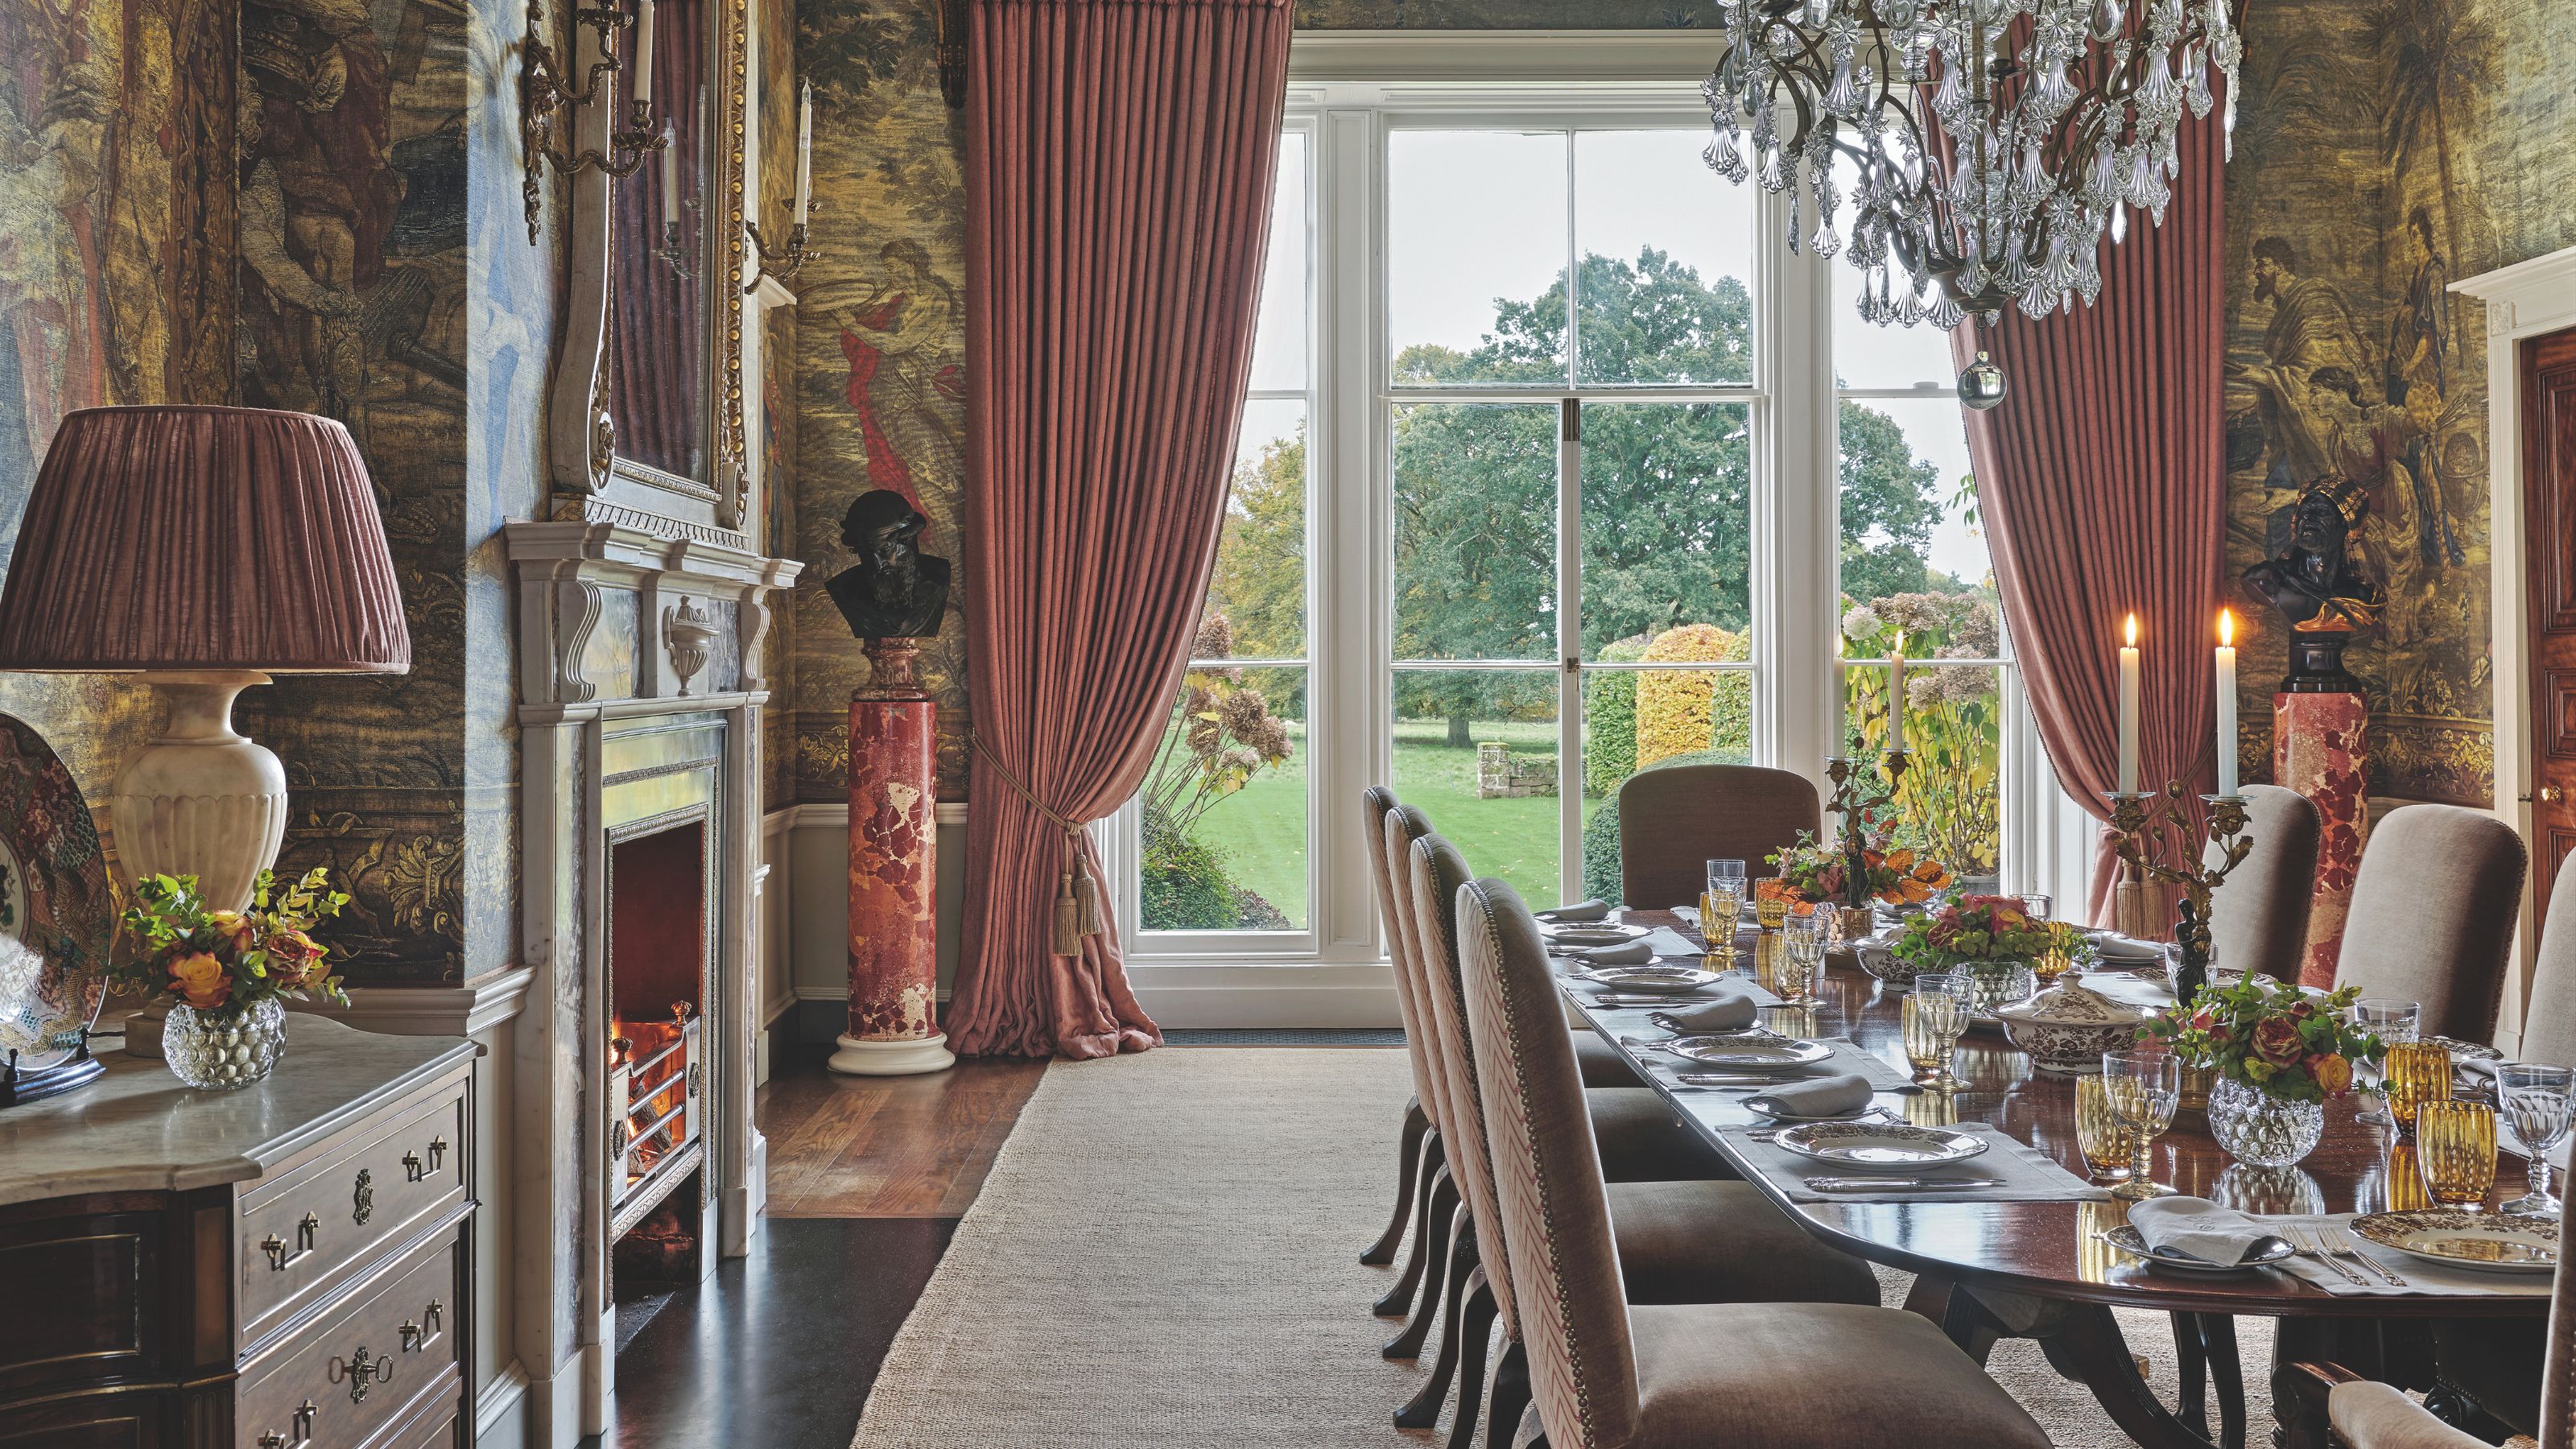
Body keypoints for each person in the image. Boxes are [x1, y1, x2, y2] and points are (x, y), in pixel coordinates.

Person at [825, 489, 951, 641]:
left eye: (885, 550)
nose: (878, 564)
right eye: (865, 553)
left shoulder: (941, 577)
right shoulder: (843, 590)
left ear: (909, 539)